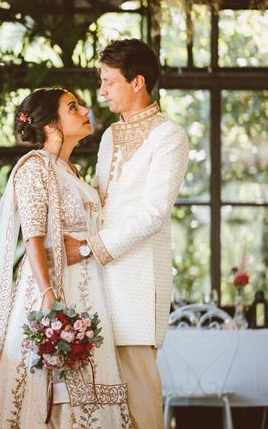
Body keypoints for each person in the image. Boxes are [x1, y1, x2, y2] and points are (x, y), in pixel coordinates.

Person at [0, 87, 131, 429]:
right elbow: (34, 239)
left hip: (89, 293)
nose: (86, 110)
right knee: (48, 392)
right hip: (52, 291)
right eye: (73, 107)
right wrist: (48, 297)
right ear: (52, 126)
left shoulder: (72, 172)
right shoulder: (35, 167)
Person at [63, 39, 189, 429]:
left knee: (139, 394)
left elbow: (153, 214)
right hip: (98, 280)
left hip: (137, 278)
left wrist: (87, 249)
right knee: (105, 401)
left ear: (137, 82)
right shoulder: (111, 137)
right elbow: (100, 200)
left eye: (108, 81)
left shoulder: (170, 136)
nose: (101, 92)